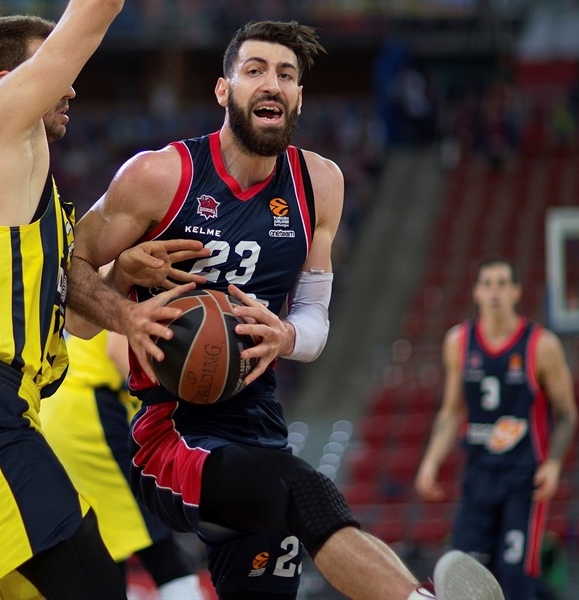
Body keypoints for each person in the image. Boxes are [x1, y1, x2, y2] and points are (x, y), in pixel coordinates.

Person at [65, 20, 504, 600]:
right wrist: (122, 286)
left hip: (259, 424)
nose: (271, 83)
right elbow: (71, 306)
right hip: (173, 436)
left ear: (299, 97)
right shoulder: (158, 176)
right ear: (223, 89)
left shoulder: (320, 183)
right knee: (302, 490)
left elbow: (316, 319)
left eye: (286, 74)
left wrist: (286, 336)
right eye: (255, 70)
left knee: (285, 528)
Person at [0, 3, 203, 599]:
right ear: (10, 85)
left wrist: (122, 287)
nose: (71, 87)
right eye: (55, 70)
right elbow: (95, 12)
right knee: (94, 584)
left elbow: (74, 321)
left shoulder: (22, 189)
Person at [415, 257, 578, 600]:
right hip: (478, 475)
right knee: (462, 576)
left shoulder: (541, 345)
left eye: (503, 284)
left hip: (523, 478)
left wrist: (553, 463)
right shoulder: (458, 342)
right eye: (487, 283)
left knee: (515, 577)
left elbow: (566, 414)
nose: (495, 292)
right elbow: (452, 412)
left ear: (516, 291)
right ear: (476, 291)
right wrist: (430, 462)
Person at [41, 327, 207, 599]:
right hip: (90, 410)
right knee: (153, 531)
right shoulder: (133, 298)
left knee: (109, 537)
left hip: (62, 411)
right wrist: (175, 402)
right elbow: (118, 349)